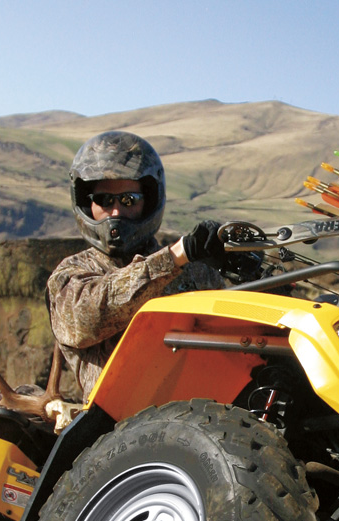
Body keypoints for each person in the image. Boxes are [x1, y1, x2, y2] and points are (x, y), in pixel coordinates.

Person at [47, 130, 227, 400]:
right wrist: (173, 257)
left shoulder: (194, 268)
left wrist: (241, 265)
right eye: (104, 200)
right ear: (86, 203)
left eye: (129, 200)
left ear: (149, 201)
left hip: (201, 411)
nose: (116, 211)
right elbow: (88, 318)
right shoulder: (70, 275)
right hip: (119, 422)